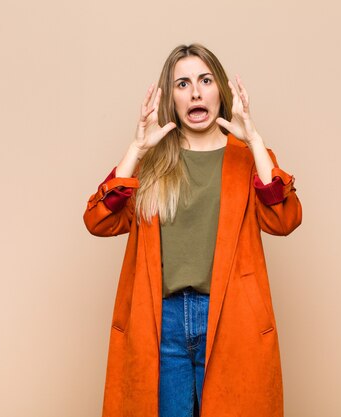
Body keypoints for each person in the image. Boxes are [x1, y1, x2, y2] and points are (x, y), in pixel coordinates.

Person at [83, 43, 302, 417]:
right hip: (161, 322)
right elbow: (99, 220)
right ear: (171, 98)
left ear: (221, 91)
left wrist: (256, 140)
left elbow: (283, 220)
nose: (196, 92)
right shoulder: (153, 163)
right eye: (182, 84)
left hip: (230, 317)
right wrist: (136, 148)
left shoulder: (247, 160)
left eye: (205, 80)